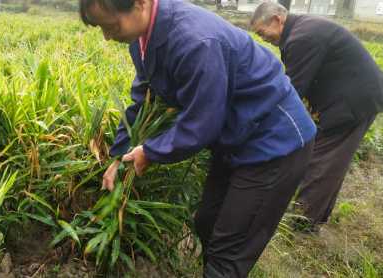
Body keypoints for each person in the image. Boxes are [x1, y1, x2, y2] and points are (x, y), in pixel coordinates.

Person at [79, 0, 317, 276]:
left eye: (111, 26)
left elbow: (202, 122)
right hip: (235, 137)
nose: (107, 36)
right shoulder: (141, 39)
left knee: (230, 248)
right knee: (207, 223)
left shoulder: (195, 40)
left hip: (274, 142)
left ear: (140, 4)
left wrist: (150, 152)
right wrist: (121, 153)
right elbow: (144, 98)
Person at [251, 2, 383, 233]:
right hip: (350, 97)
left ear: (277, 20)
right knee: (332, 161)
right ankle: (314, 217)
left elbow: (291, 90)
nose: (263, 38)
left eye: (262, 32)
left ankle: (302, 224)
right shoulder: (301, 30)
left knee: (322, 160)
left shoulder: (302, 37)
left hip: (353, 103)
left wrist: (259, 125)